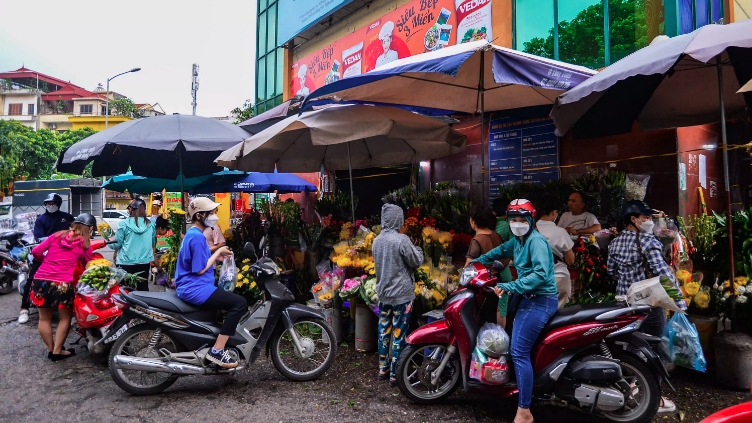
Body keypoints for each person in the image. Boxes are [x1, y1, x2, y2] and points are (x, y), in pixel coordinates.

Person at [473, 199, 557, 423]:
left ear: (531, 220)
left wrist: (511, 286)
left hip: (540, 300)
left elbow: (539, 275)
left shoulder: (536, 242)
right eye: (514, 219)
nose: (518, 223)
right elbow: (498, 251)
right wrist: (475, 265)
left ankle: (524, 411)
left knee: (519, 351)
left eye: (522, 219)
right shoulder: (518, 241)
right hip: (526, 299)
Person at [607, 200, 686, 414]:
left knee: (631, 348)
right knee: (654, 349)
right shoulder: (648, 241)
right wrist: (679, 301)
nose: (650, 221)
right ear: (633, 219)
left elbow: (612, 272)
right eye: (646, 217)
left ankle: (631, 388)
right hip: (648, 304)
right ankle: (655, 397)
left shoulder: (615, 243)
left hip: (623, 304)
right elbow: (663, 273)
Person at [175, 197, 244, 368]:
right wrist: (219, 250)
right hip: (195, 287)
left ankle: (209, 347)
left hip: (194, 285)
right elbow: (199, 269)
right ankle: (217, 351)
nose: (214, 216)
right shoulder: (197, 237)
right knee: (239, 304)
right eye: (211, 213)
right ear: (199, 216)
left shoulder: (192, 234)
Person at [30, 213, 95, 361]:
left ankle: (51, 349)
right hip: (62, 283)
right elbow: (89, 265)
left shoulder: (57, 235)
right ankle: (58, 351)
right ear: (90, 228)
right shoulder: (84, 243)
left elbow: (36, 251)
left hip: (40, 280)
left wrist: (45, 260)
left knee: (44, 319)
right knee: (65, 318)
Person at [372, 204, 424, 387]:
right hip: (402, 295)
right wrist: (419, 250)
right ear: (398, 220)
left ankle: (382, 368)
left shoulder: (376, 241)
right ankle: (395, 373)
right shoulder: (402, 240)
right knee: (399, 333)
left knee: (383, 332)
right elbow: (416, 261)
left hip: (384, 294)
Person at [19, 193, 74, 324]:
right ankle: (24, 308)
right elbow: (39, 239)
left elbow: (75, 232)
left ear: (58, 204)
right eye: (48, 204)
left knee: (76, 277)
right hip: (45, 254)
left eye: (53, 203)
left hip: (65, 255)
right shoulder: (41, 220)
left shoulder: (67, 218)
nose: (51, 206)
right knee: (32, 278)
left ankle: (74, 309)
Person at [465, 205, 506, 326]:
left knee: (480, 319)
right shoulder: (496, 236)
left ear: (473, 221)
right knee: (491, 317)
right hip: (497, 281)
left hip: (482, 285)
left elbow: (468, 266)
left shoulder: (477, 240)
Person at [535, 196, 575, 308]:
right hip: (558, 277)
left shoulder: (530, 230)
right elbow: (570, 260)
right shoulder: (560, 232)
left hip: (535, 278)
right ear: (554, 213)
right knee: (559, 313)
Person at [110, 199, 156, 292]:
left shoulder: (123, 224)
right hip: (144, 262)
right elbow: (152, 242)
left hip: (125, 263)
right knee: (143, 288)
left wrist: (109, 240)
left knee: (126, 290)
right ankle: (143, 306)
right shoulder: (151, 225)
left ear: (131, 209)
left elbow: (116, 245)